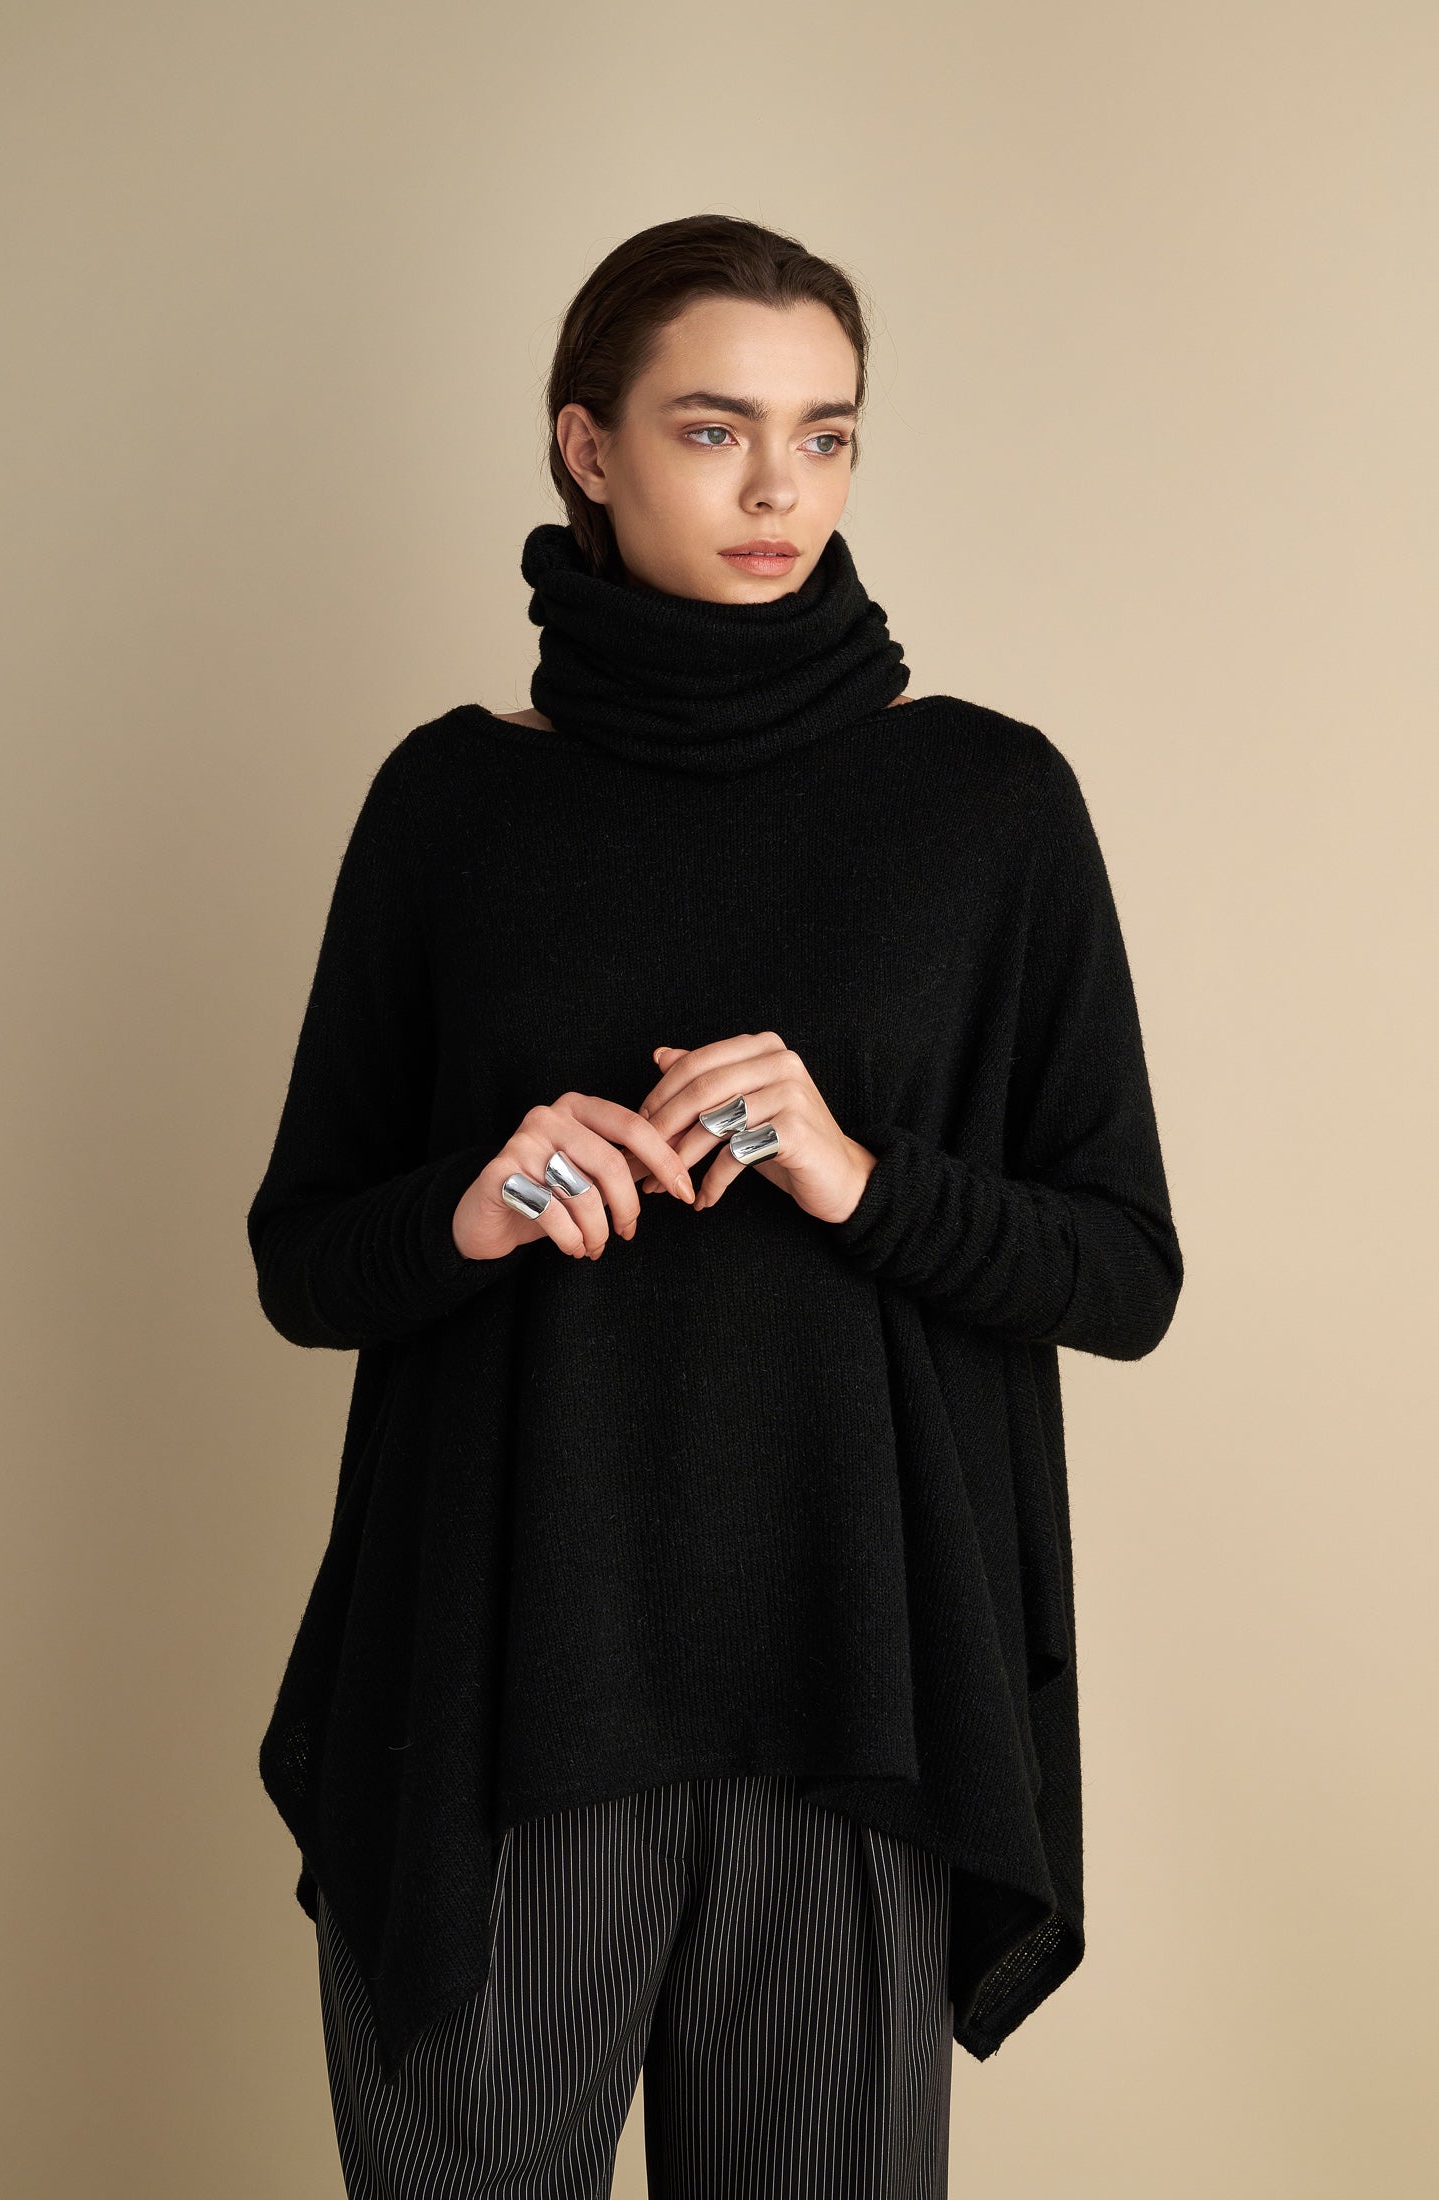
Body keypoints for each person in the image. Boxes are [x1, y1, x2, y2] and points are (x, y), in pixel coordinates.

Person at [247, 212, 1183, 2198]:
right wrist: (478, 1206)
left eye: (826, 434)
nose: (780, 488)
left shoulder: (986, 806)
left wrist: (859, 1176)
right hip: (500, 1701)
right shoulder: (451, 803)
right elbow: (303, 1254)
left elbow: (1122, 1269)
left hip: (857, 1704)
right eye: (713, 428)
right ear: (584, 445)